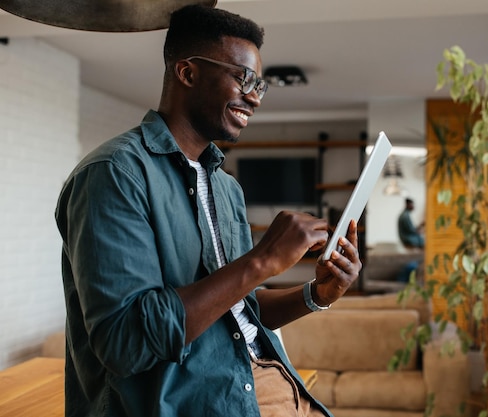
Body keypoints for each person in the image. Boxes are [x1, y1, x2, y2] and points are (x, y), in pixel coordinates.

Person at [55, 5, 361, 417]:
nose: (254, 97)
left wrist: (317, 294)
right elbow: (126, 344)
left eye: (260, 85)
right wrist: (262, 259)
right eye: (243, 78)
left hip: (268, 384)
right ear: (187, 72)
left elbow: (239, 308)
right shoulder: (113, 175)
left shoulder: (225, 187)